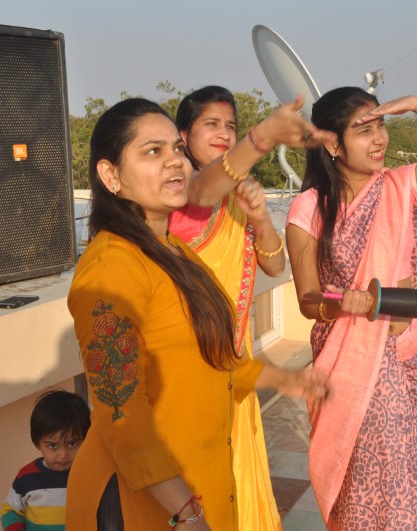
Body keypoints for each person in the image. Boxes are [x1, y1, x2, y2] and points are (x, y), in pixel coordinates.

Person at [65, 97, 333, 530]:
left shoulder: (174, 251)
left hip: (198, 483)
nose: (173, 162)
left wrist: (284, 379)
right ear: (111, 175)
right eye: (152, 152)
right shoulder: (111, 267)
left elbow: (207, 362)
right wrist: (185, 512)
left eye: (175, 148)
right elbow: (119, 410)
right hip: (147, 503)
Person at [285, 87, 417, 530]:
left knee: (412, 479)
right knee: (366, 483)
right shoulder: (309, 208)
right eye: (363, 129)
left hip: (408, 359)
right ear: (333, 144)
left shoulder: (402, 186)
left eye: (380, 125)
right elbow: (308, 300)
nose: (378, 139)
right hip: (350, 368)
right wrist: (344, 304)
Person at [168, 86, 284, 530]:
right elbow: (203, 191)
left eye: (230, 126)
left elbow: (274, 265)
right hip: (189, 360)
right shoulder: (181, 190)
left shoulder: (237, 191)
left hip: (235, 358)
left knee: (238, 469)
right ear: (185, 135)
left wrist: (260, 220)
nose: (222, 133)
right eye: (210, 124)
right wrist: (261, 137)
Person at [1, 389, 91, 531]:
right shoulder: (27, 476)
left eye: (72, 444)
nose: (63, 455)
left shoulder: (91, 474)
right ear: (38, 444)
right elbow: (11, 511)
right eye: (53, 445)